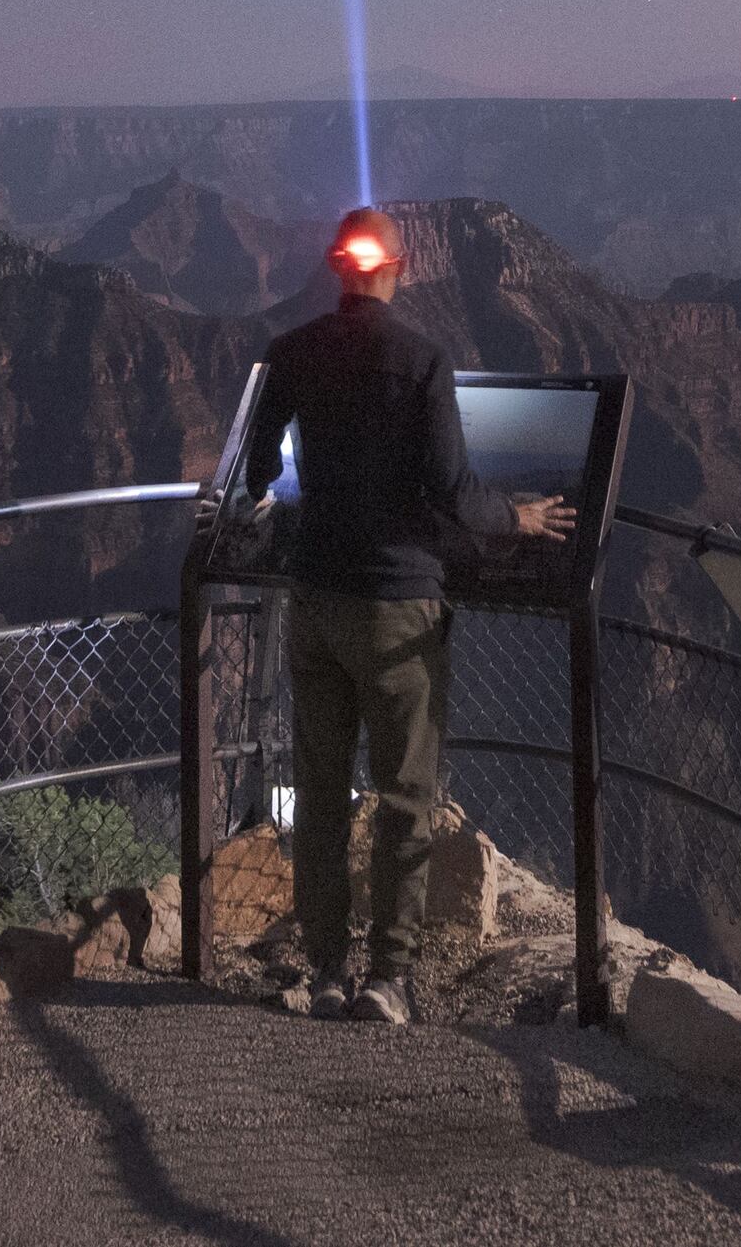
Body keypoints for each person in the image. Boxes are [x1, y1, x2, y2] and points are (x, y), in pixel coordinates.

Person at [234, 204, 577, 1022]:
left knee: (319, 792)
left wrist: (263, 510)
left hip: (314, 602)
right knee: (402, 795)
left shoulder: (290, 352)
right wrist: (522, 519)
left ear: (337, 267)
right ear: (401, 267)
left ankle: (323, 969)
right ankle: (388, 976)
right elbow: (455, 493)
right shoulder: (423, 360)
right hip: (396, 610)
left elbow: (256, 463)